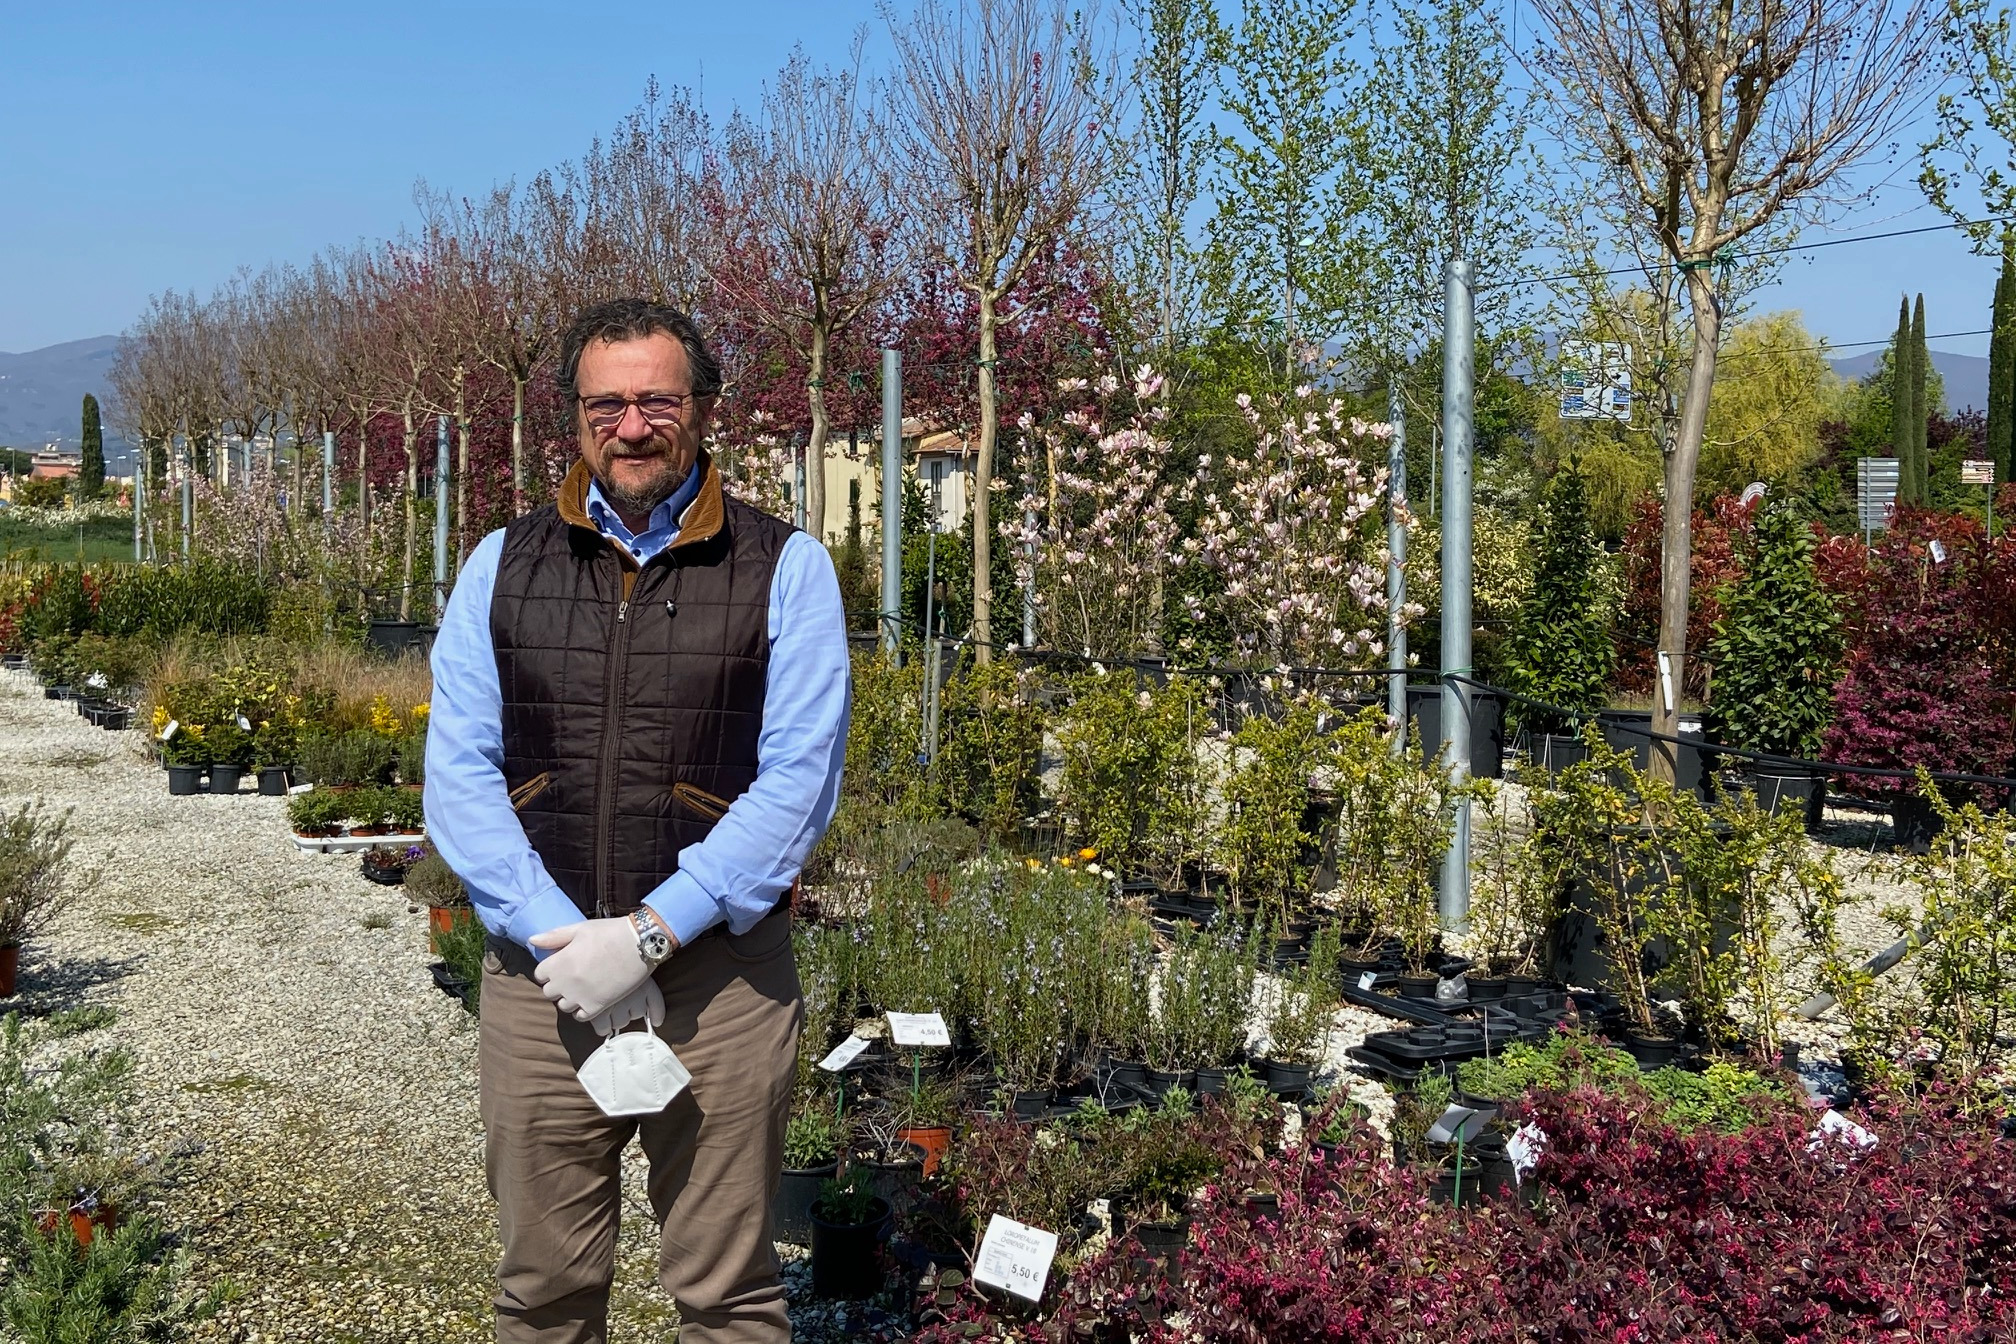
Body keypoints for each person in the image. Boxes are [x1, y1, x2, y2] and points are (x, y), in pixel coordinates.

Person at [425, 297, 851, 1343]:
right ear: (574, 417)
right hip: (545, 981)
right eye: (605, 403)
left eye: (657, 400)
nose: (631, 425)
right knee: (544, 1285)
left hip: (723, 981)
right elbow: (460, 774)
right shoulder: (500, 565)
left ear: (702, 408)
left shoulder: (786, 568)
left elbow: (796, 784)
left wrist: (654, 931)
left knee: (726, 1290)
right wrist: (553, 932)